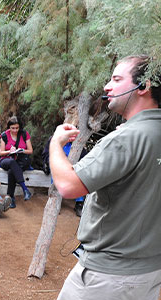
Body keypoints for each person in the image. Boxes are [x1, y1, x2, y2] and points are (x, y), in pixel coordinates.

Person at [51, 55, 161, 300]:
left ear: (144, 86)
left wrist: (56, 144)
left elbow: (68, 186)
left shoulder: (126, 139)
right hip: (151, 272)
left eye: (117, 79)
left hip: (108, 277)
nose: (106, 86)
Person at [0, 116, 33, 208]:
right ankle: (25, 189)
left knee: (11, 171)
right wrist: (10, 151)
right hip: (6, 160)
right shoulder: (4, 135)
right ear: (9, 127)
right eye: (12, 128)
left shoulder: (24, 134)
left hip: (21, 160)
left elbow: (30, 151)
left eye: (17, 128)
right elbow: (1, 153)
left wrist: (21, 150)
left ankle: (10, 198)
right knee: (12, 163)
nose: (15, 130)